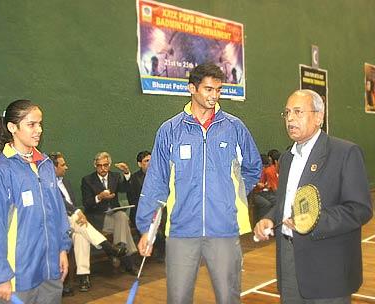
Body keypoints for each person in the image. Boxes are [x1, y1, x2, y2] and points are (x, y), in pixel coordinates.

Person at [136, 62, 262, 304]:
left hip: (224, 229)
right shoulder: (170, 130)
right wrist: (147, 229)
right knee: (178, 299)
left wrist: (232, 194)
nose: (214, 95)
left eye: (218, 89)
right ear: (192, 88)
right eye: (208, 89)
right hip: (182, 230)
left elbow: (253, 166)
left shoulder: (234, 128)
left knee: (229, 298)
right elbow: (156, 182)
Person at [254, 89, 373, 304]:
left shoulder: (345, 153)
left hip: (329, 267)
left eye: (298, 112)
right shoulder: (287, 158)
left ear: (319, 117)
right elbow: (285, 203)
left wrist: (312, 222)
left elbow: (360, 209)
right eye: (287, 112)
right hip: (288, 260)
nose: (290, 118)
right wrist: (270, 218)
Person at [0, 99, 71, 304]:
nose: (39, 130)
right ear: (12, 127)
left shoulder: (45, 165)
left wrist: (62, 248)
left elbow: (58, 212)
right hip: (16, 279)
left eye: (40, 123)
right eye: (32, 124)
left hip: (50, 273)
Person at [49, 152, 127, 292]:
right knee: (77, 219)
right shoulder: (47, 184)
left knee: (80, 236)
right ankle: (109, 247)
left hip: (72, 222)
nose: (66, 167)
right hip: (57, 223)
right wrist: (78, 212)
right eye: (63, 165)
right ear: (53, 168)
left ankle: (83, 276)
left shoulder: (65, 182)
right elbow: (63, 206)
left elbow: (70, 204)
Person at [81, 152, 138, 274]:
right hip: (98, 218)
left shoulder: (115, 176)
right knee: (123, 223)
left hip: (114, 214)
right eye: (99, 166)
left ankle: (117, 250)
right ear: (95, 165)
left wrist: (127, 173)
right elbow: (87, 203)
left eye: (105, 165)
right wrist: (99, 197)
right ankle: (127, 259)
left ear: (109, 165)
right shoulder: (87, 180)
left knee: (122, 215)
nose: (102, 168)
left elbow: (126, 189)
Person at [127, 150, 151, 227]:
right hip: (140, 213)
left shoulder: (159, 176)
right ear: (140, 164)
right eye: (147, 161)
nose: (150, 163)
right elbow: (132, 201)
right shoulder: (134, 178)